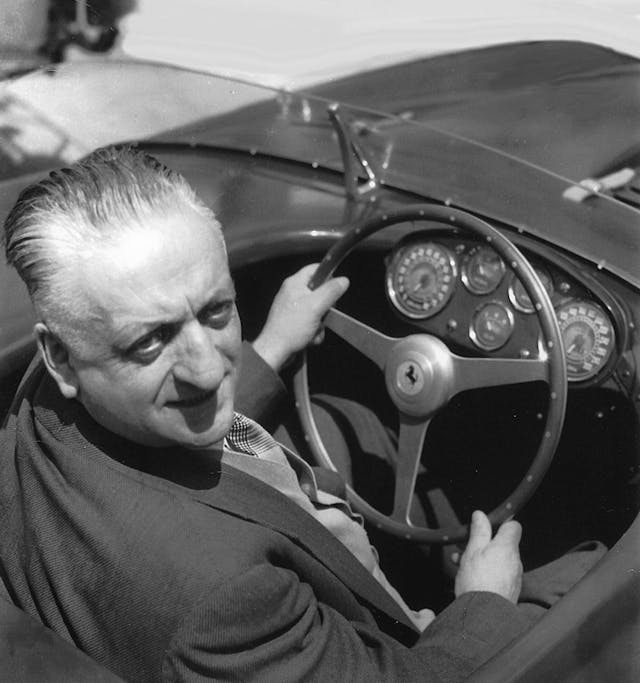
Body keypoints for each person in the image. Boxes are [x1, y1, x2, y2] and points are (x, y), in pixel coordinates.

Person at [0, 146, 603, 682]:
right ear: (60, 356)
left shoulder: (51, 389)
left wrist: (272, 346)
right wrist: (482, 604)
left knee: (354, 423)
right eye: (150, 343)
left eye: (215, 311)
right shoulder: (222, 603)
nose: (209, 371)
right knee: (593, 571)